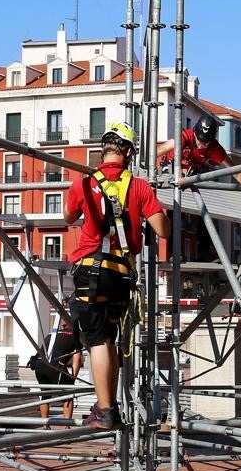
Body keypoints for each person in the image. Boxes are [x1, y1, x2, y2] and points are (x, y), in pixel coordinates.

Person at [64, 122, 169, 429]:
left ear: (104, 150)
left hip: (90, 270)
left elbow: (67, 216)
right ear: (129, 152)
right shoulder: (138, 186)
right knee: (108, 339)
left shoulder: (84, 184)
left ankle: (105, 408)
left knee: (95, 341)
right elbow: (163, 230)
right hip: (122, 274)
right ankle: (109, 407)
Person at [156, 115, 241, 186]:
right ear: (195, 133)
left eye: (205, 143)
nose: (201, 145)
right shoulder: (185, 137)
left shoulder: (214, 148)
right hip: (164, 170)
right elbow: (161, 149)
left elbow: (235, 171)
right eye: (199, 141)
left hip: (187, 176)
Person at [32, 324, 83, 427]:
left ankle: (45, 426)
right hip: (55, 366)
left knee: (45, 395)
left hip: (39, 365)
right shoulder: (75, 337)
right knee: (68, 395)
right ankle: (67, 426)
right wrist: (73, 378)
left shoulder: (52, 334)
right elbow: (76, 361)